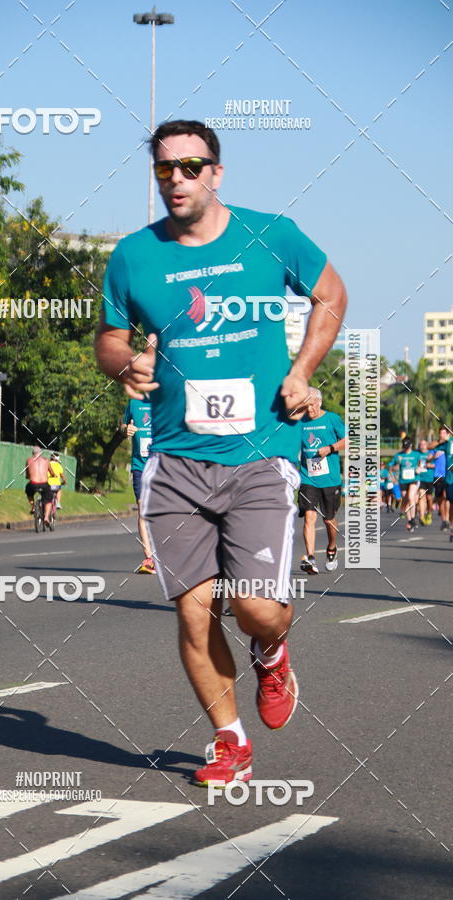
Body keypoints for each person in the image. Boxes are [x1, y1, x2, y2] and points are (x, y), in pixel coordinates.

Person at [95, 120, 347, 786]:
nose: (175, 179)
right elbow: (110, 339)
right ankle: (228, 739)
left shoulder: (272, 235)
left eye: (189, 166)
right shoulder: (133, 255)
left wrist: (302, 370)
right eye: (163, 170)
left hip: (262, 451)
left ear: (217, 172)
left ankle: (272, 651)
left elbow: (331, 294)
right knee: (192, 607)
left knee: (257, 607)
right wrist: (124, 366)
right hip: (175, 457)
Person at [298, 388, 346, 574]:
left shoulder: (332, 419)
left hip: (330, 478)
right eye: (306, 406)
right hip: (307, 477)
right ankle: (310, 558)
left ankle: (332, 547)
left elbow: (348, 440)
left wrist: (331, 448)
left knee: (329, 519)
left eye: (312, 405)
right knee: (309, 517)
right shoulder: (300, 423)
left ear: (319, 402)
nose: (309, 409)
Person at [121, 397, 155, 574]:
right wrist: (126, 429)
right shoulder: (134, 403)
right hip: (140, 467)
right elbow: (121, 426)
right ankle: (149, 559)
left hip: (163, 467)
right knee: (142, 510)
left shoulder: (167, 398)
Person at [389, 437, 421, 532]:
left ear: (411, 445)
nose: (406, 449)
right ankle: (410, 520)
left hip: (413, 479)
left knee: (411, 497)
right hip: (403, 481)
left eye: (407, 446)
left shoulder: (416, 454)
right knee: (405, 499)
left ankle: (413, 518)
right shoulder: (398, 456)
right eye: (404, 447)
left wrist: (419, 468)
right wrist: (394, 476)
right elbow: (391, 468)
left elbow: (421, 464)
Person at [430, 426, 453, 539]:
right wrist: (441, 440)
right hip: (442, 477)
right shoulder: (444, 444)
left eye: (444, 433)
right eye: (441, 433)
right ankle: (446, 521)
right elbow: (430, 447)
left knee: (447, 499)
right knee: (443, 500)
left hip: (447, 477)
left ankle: (449, 521)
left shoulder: (450, 443)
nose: (442, 435)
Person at [25, 447, 54, 527]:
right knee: (49, 499)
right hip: (44, 483)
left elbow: (27, 474)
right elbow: (51, 472)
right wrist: (53, 475)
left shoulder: (29, 460)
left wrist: (29, 476)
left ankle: (33, 506)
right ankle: (46, 518)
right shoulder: (46, 460)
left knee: (28, 491)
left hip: (33, 483)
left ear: (32, 453)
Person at [416, 438, 434, 526]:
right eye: (421, 444)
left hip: (430, 478)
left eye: (424, 444)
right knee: (421, 496)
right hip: (420, 478)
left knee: (429, 498)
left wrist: (430, 465)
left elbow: (437, 465)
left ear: (427, 445)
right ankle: (422, 516)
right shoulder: (417, 454)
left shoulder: (431, 454)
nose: (422, 446)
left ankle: (429, 513)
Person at [47, 452, 67, 519]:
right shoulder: (59, 466)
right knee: (59, 490)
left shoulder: (47, 464)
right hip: (56, 485)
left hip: (47, 484)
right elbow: (63, 477)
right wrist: (64, 482)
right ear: (58, 459)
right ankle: (58, 503)